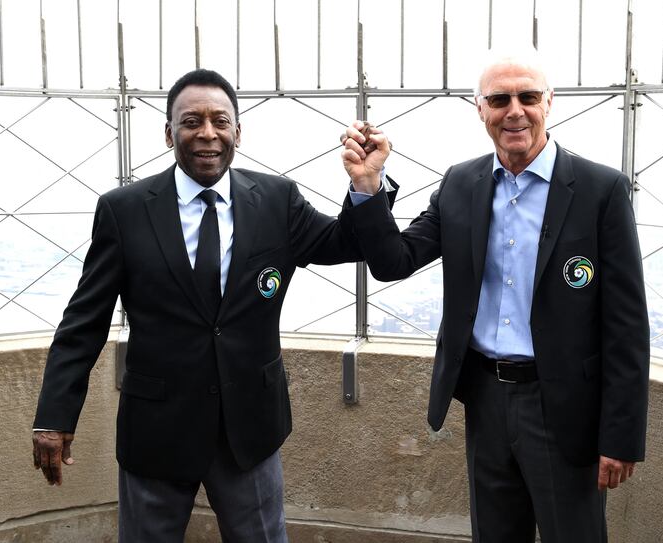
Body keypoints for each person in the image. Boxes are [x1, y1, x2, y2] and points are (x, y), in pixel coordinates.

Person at [32, 68, 393, 542]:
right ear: (168, 134)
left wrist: (367, 185)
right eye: (191, 122)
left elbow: (346, 242)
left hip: (250, 430)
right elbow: (85, 320)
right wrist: (55, 417)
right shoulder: (124, 210)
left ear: (238, 133)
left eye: (220, 121)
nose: (207, 133)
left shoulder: (276, 200)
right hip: (157, 432)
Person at [340, 48, 649, 542]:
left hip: (564, 405)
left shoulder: (599, 190)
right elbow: (393, 262)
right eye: (499, 99)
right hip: (484, 396)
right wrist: (367, 185)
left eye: (528, 96)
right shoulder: (461, 183)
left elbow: (627, 325)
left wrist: (621, 435)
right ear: (479, 108)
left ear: (549, 102)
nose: (514, 111)